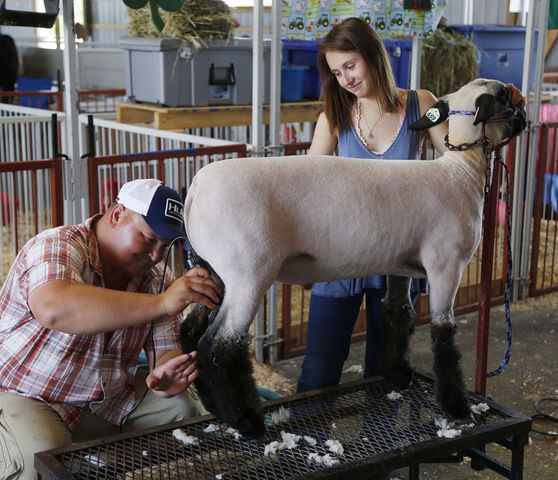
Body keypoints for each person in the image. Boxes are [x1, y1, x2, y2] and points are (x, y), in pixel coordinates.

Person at [0, 178, 221, 480]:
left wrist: (165, 374)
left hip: (105, 398)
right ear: (118, 215)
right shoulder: (58, 244)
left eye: (165, 245)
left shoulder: (157, 278)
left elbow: (165, 351)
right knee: (41, 454)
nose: (156, 255)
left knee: (183, 407)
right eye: (148, 238)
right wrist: (161, 303)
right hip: (26, 393)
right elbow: (53, 308)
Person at [297, 17, 449, 395]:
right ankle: (305, 447)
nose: (345, 79)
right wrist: (303, 253)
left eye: (350, 65)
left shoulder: (423, 104)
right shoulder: (333, 117)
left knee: (387, 368)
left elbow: (456, 156)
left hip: (398, 259)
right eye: (337, 72)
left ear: (373, 55)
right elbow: (308, 183)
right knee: (320, 367)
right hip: (340, 256)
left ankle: (378, 444)